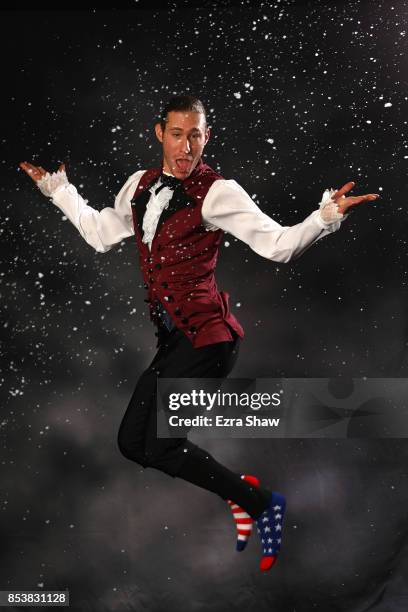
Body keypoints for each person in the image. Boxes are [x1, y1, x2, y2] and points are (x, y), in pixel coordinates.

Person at [19, 94, 379, 572]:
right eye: (177, 134)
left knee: (158, 444)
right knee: (134, 444)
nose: (186, 146)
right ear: (159, 134)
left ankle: (260, 501)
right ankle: (251, 497)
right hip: (176, 343)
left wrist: (324, 218)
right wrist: (60, 193)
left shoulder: (218, 191)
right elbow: (101, 233)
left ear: (206, 137)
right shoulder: (140, 186)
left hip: (209, 341)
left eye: (196, 135)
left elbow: (277, 246)